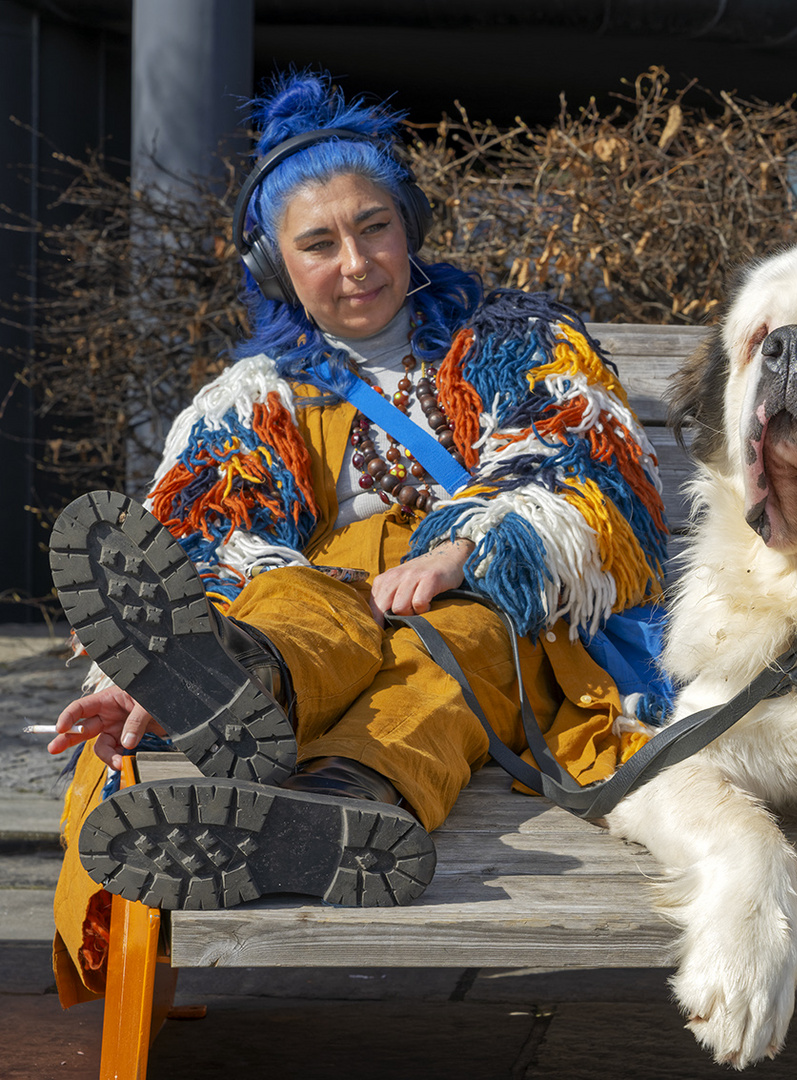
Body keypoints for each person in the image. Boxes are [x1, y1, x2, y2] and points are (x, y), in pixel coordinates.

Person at [47, 71, 667, 1005]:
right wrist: (146, 677)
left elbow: (589, 465)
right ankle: (235, 676)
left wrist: (474, 548)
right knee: (289, 598)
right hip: (328, 609)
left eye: (374, 226)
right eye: (319, 243)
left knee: (452, 642)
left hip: (491, 620)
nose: (357, 261)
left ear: (409, 226)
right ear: (274, 267)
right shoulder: (252, 400)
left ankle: (335, 803)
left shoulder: (515, 344)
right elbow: (205, 537)